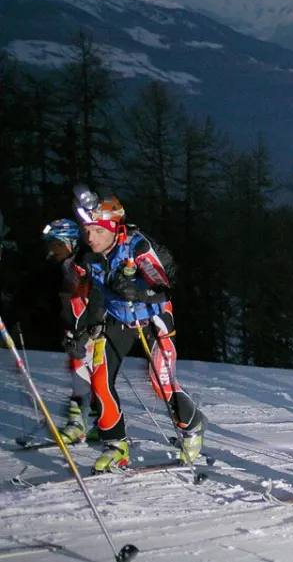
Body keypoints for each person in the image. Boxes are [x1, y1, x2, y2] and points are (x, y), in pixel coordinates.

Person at [68, 186, 205, 473]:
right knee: (100, 381)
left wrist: (137, 291)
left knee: (162, 384)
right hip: (117, 320)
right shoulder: (88, 257)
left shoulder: (136, 246)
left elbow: (162, 289)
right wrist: (81, 330)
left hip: (153, 319)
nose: (90, 237)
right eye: (86, 230)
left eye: (96, 230)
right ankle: (116, 445)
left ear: (112, 227)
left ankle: (191, 427)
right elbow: (91, 296)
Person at [41, 219, 101, 444]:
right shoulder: (63, 265)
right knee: (80, 370)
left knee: (86, 371)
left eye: (56, 244)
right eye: (50, 244)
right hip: (77, 328)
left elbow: (89, 299)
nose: (52, 250)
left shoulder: (83, 263)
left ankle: (82, 423)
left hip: (92, 328)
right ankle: (91, 421)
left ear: (71, 242)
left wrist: (83, 330)